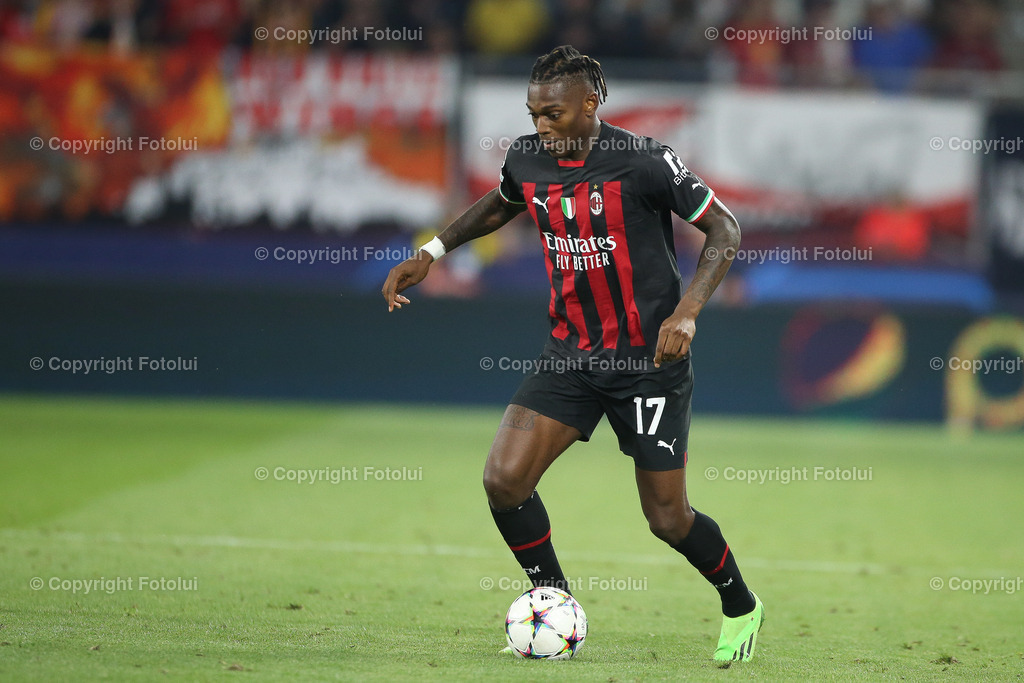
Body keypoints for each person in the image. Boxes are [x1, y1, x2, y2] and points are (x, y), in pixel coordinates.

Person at [382, 45, 764, 665]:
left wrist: (688, 310)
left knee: (667, 519)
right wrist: (431, 250)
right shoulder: (528, 158)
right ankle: (552, 597)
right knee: (504, 479)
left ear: (590, 103)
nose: (541, 126)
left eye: (553, 114)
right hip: (571, 356)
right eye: (534, 114)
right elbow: (502, 202)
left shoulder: (644, 162)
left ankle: (741, 604)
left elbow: (725, 229)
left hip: (649, 365)